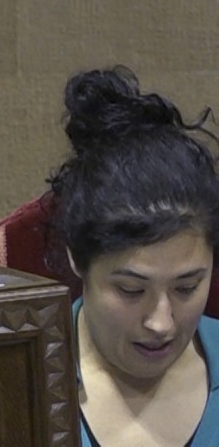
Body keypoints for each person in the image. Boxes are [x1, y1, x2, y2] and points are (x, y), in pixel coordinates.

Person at [49, 67, 219, 446]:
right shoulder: (23, 378)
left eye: (186, 287)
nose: (161, 323)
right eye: (131, 290)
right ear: (78, 257)